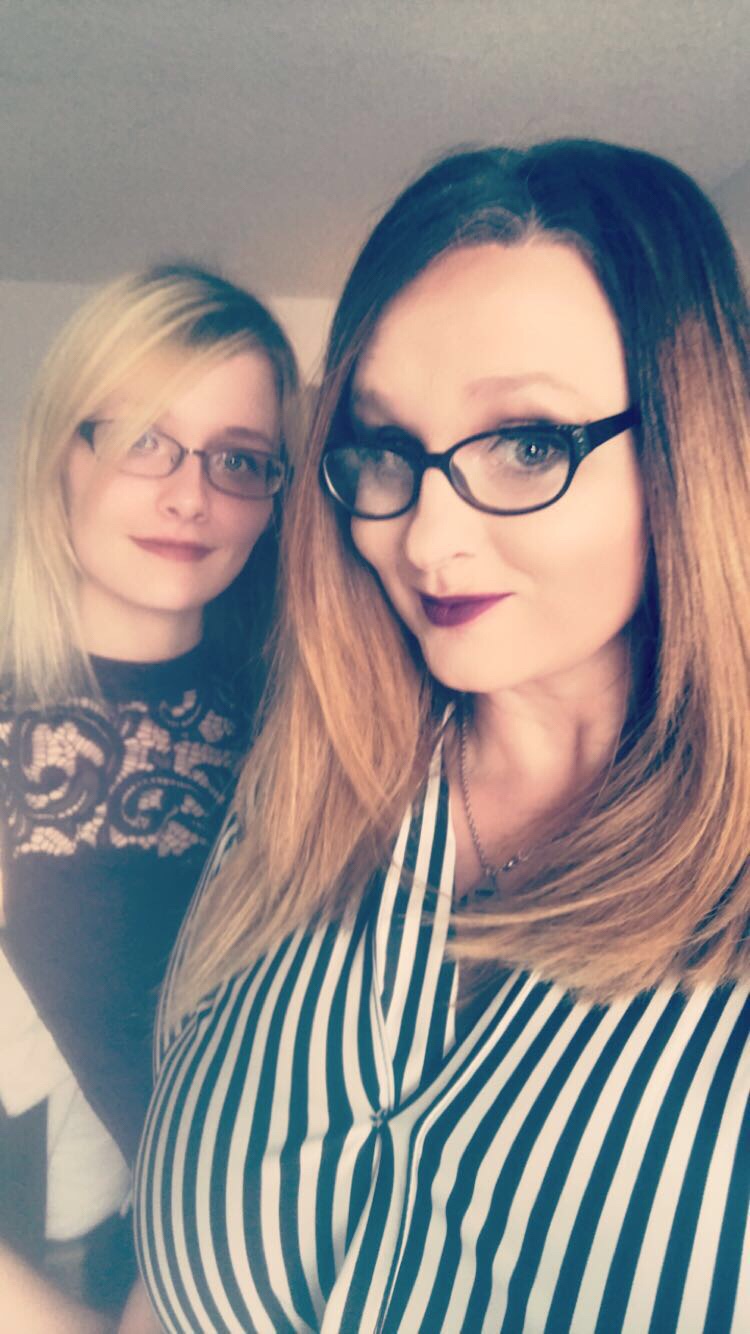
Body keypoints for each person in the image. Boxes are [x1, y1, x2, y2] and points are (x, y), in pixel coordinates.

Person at [135, 142, 749, 1333]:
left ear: (693, 446)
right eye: (385, 449)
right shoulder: (290, 818)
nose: (423, 537)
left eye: (527, 442)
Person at [0, 262, 299, 1330]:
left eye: (239, 458)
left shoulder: (314, 729)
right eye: (143, 440)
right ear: (61, 456)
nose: (190, 495)